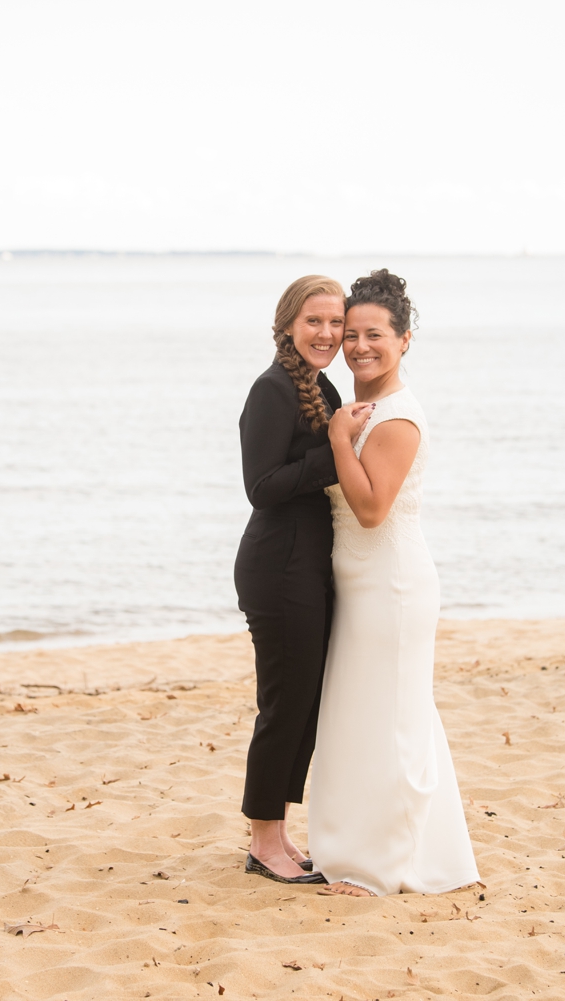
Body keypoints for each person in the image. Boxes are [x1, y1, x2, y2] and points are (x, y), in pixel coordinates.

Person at [308, 269, 481, 897]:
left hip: (392, 586)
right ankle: (383, 851)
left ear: (405, 339)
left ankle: (379, 867)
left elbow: (372, 509)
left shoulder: (397, 418)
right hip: (358, 586)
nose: (359, 346)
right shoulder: (361, 408)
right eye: (350, 334)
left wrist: (336, 441)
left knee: (394, 723)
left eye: (375, 334)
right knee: (364, 718)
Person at [235, 275, 345, 884]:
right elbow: (261, 486)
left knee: (302, 705)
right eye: (314, 322)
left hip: (307, 565)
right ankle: (262, 843)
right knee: (282, 706)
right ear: (287, 326)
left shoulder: (318, 383)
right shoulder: (273, 389)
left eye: (335, 323)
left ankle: (276, 832)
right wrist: (334, 451)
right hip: (277, 568)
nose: (326, 334)